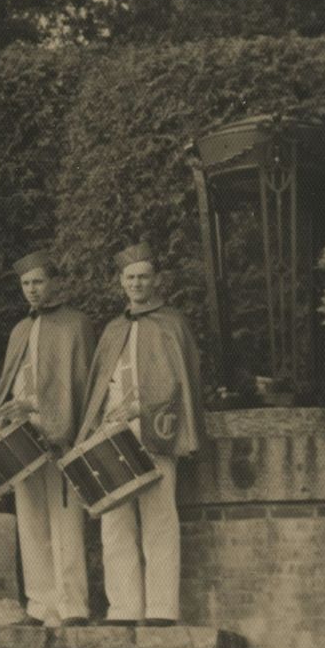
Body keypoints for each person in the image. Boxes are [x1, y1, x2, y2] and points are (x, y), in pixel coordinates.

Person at [75, 243, 206, 625]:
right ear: (121, 282)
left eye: (144, 277)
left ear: (156, 280)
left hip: (154, 429)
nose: (137, 283)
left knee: (159, 518)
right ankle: (124, 608)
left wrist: (141, 407)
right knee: (115, 522)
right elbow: (100, 385)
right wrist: (98, 423)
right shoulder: (113, 330)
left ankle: (162, 609)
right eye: (131, 277)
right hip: (113, 431)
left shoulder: (172, 324)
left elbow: (179, 384)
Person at [0, 249, 96, 625]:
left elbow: (80, 384)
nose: (32, 289)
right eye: (26, 284)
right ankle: (41, 604)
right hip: (22, 436)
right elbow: (12, 382)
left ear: (54, 282)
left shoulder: (76, 325)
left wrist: (52, 416)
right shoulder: (19, 330)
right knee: (31, 521)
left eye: (39, 282)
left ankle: (73, 605)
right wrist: (9, 413)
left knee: (66, 519)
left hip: (59, 433)